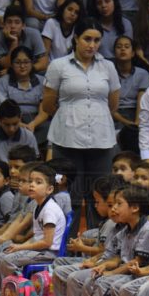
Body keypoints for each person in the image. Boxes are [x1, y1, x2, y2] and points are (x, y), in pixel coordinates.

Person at [30, 18, 119, 225]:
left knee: (101, 195)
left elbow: (113, 105)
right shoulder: (58, 65)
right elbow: (48, 104)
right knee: (69, 196)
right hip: (67, 138)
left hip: (101, 139)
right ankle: (65, 248)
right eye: (87, 39)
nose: (92, 44)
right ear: (76, 38)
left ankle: (99, 246)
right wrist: (70, 116)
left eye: (97, 40)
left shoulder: (108, 67)